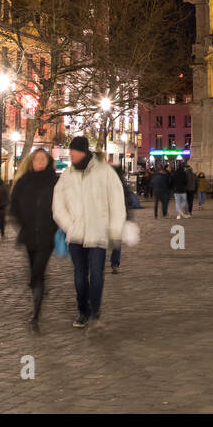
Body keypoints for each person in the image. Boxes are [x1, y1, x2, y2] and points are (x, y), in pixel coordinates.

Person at [52, 136, 126, 329]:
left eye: (73, 151)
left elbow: (117, 202)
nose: (70, 154)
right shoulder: (67, 175)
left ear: (83, 152)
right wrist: (69, 225)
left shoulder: (105, 172)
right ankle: (82, 311)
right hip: (76, 235)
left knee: (96, 274)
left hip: (98, 232)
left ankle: (95, 309)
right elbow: (58, 205)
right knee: (79, 275)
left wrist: (115, 229)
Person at [9, 148, 58, 333]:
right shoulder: (24, 182)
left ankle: (36, 314)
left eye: (43, 158)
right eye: (37, 158)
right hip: (29, 234)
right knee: (33, 273)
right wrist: (23, 222)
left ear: (48, 161)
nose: (39, 162)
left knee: (39, 269)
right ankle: (37, 292)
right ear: (31, 161)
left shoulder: (55, 181)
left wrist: (55, 225)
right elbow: (14, 206)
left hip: (47, 234)